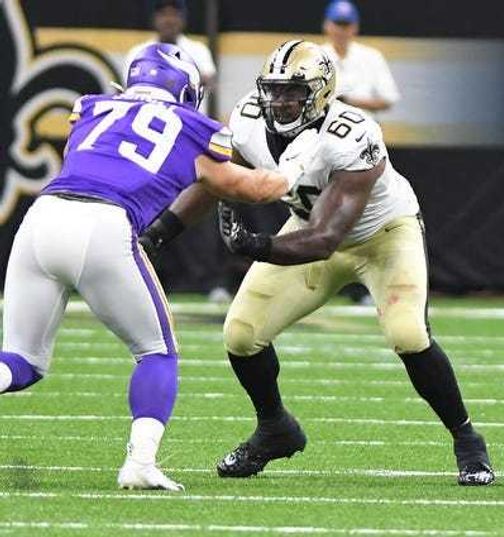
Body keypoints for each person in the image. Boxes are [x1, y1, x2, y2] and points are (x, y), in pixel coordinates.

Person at [141, 40, 495, 486]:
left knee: (407, 333)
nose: (280, 101)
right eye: (274, 90)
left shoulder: (353, 133)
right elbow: (216, 180)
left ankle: (467, 439)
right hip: (306, 228)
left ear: (322, 92)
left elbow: (327, 238)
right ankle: (275, 428)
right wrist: (157, 234)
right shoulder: (249, 119)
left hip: (381, 235)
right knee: (241, 334)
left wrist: (257, 246)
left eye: (294, 91)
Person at [0, 44, 297, 491]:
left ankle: (141, 461)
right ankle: (140, 462)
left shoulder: (92, 108)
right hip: (104, 224)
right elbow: (251, 189)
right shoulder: (193, 127)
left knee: (20, 361)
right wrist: (297, 167)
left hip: (41, 219)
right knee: (157, 352)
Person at [321, 0, 400, 113]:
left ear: (355, 27)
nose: (341, 30)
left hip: (364, 121)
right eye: (337, 24)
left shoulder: (372, 57)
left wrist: (349, 101)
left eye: (346, 25)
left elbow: (389, 99)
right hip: (325, 122)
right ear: (326, 25)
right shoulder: (317, 55)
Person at [126, 0, 217, 95]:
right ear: (154, 18)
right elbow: (128, 85)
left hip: (187, 105)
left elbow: (209, 81)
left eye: (174, 14)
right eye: (163, 14)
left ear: (183, 18)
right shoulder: (138, 52)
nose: (169, 20)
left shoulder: (199, 50)